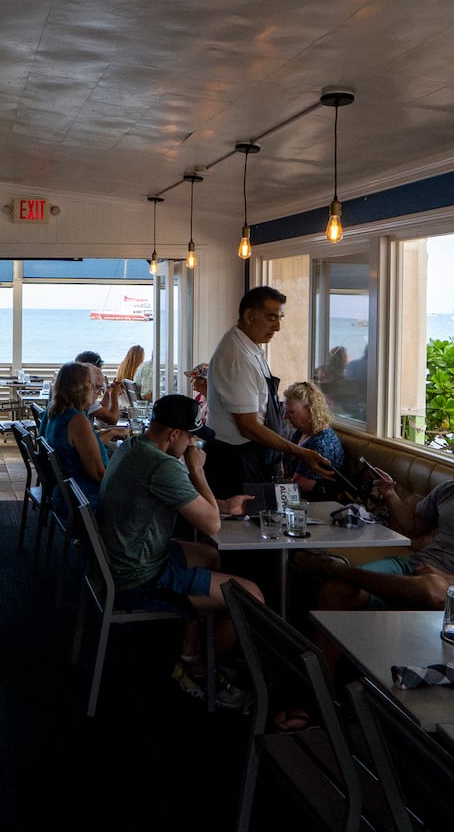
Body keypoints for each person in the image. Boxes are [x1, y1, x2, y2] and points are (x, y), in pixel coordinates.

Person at [96, 394, 257, 704]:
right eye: (191, 438)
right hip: (138, 576)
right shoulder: (162, 467)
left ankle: (189, 645)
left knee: (210, 556)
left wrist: (224, 504)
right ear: (173, 435)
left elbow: (196, 507)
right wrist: (198, 471)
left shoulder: (133, 447)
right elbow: (211, 526)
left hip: (124, 556)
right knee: (251, 597)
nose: (193, 447)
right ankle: (200, 671)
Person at [300, 414, 454, 611]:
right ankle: (325, 671)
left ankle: (337, 568)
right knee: (336, 591)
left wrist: (451, 580)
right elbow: (411, 527)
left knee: (430, 588)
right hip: (416, 567)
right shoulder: (451, 490)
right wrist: (390, 494)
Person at [203, 286, 334, 497]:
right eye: (271, 317)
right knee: (240, 529)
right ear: (248, 315)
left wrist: (276, 457)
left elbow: (264, 409)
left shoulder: (251, 346)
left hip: (256, 456)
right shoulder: (237, 356)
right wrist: (301, 452)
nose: (278, 327)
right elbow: (248, 427)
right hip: (235, 462)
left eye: (280, 317)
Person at [44, 361, 122, 509]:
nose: (96, 391)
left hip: (69, 494)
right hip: (85, 500)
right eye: (93, 386)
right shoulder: (77, 421)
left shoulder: (57, 412)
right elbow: (98, 474)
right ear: (82, 388)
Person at [282, 381, 346, 500]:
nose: (285, 416)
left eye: (291, 412)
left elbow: (300, 487)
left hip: (313, 503)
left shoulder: (322, 443)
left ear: (310, 410)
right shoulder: (302, 431)